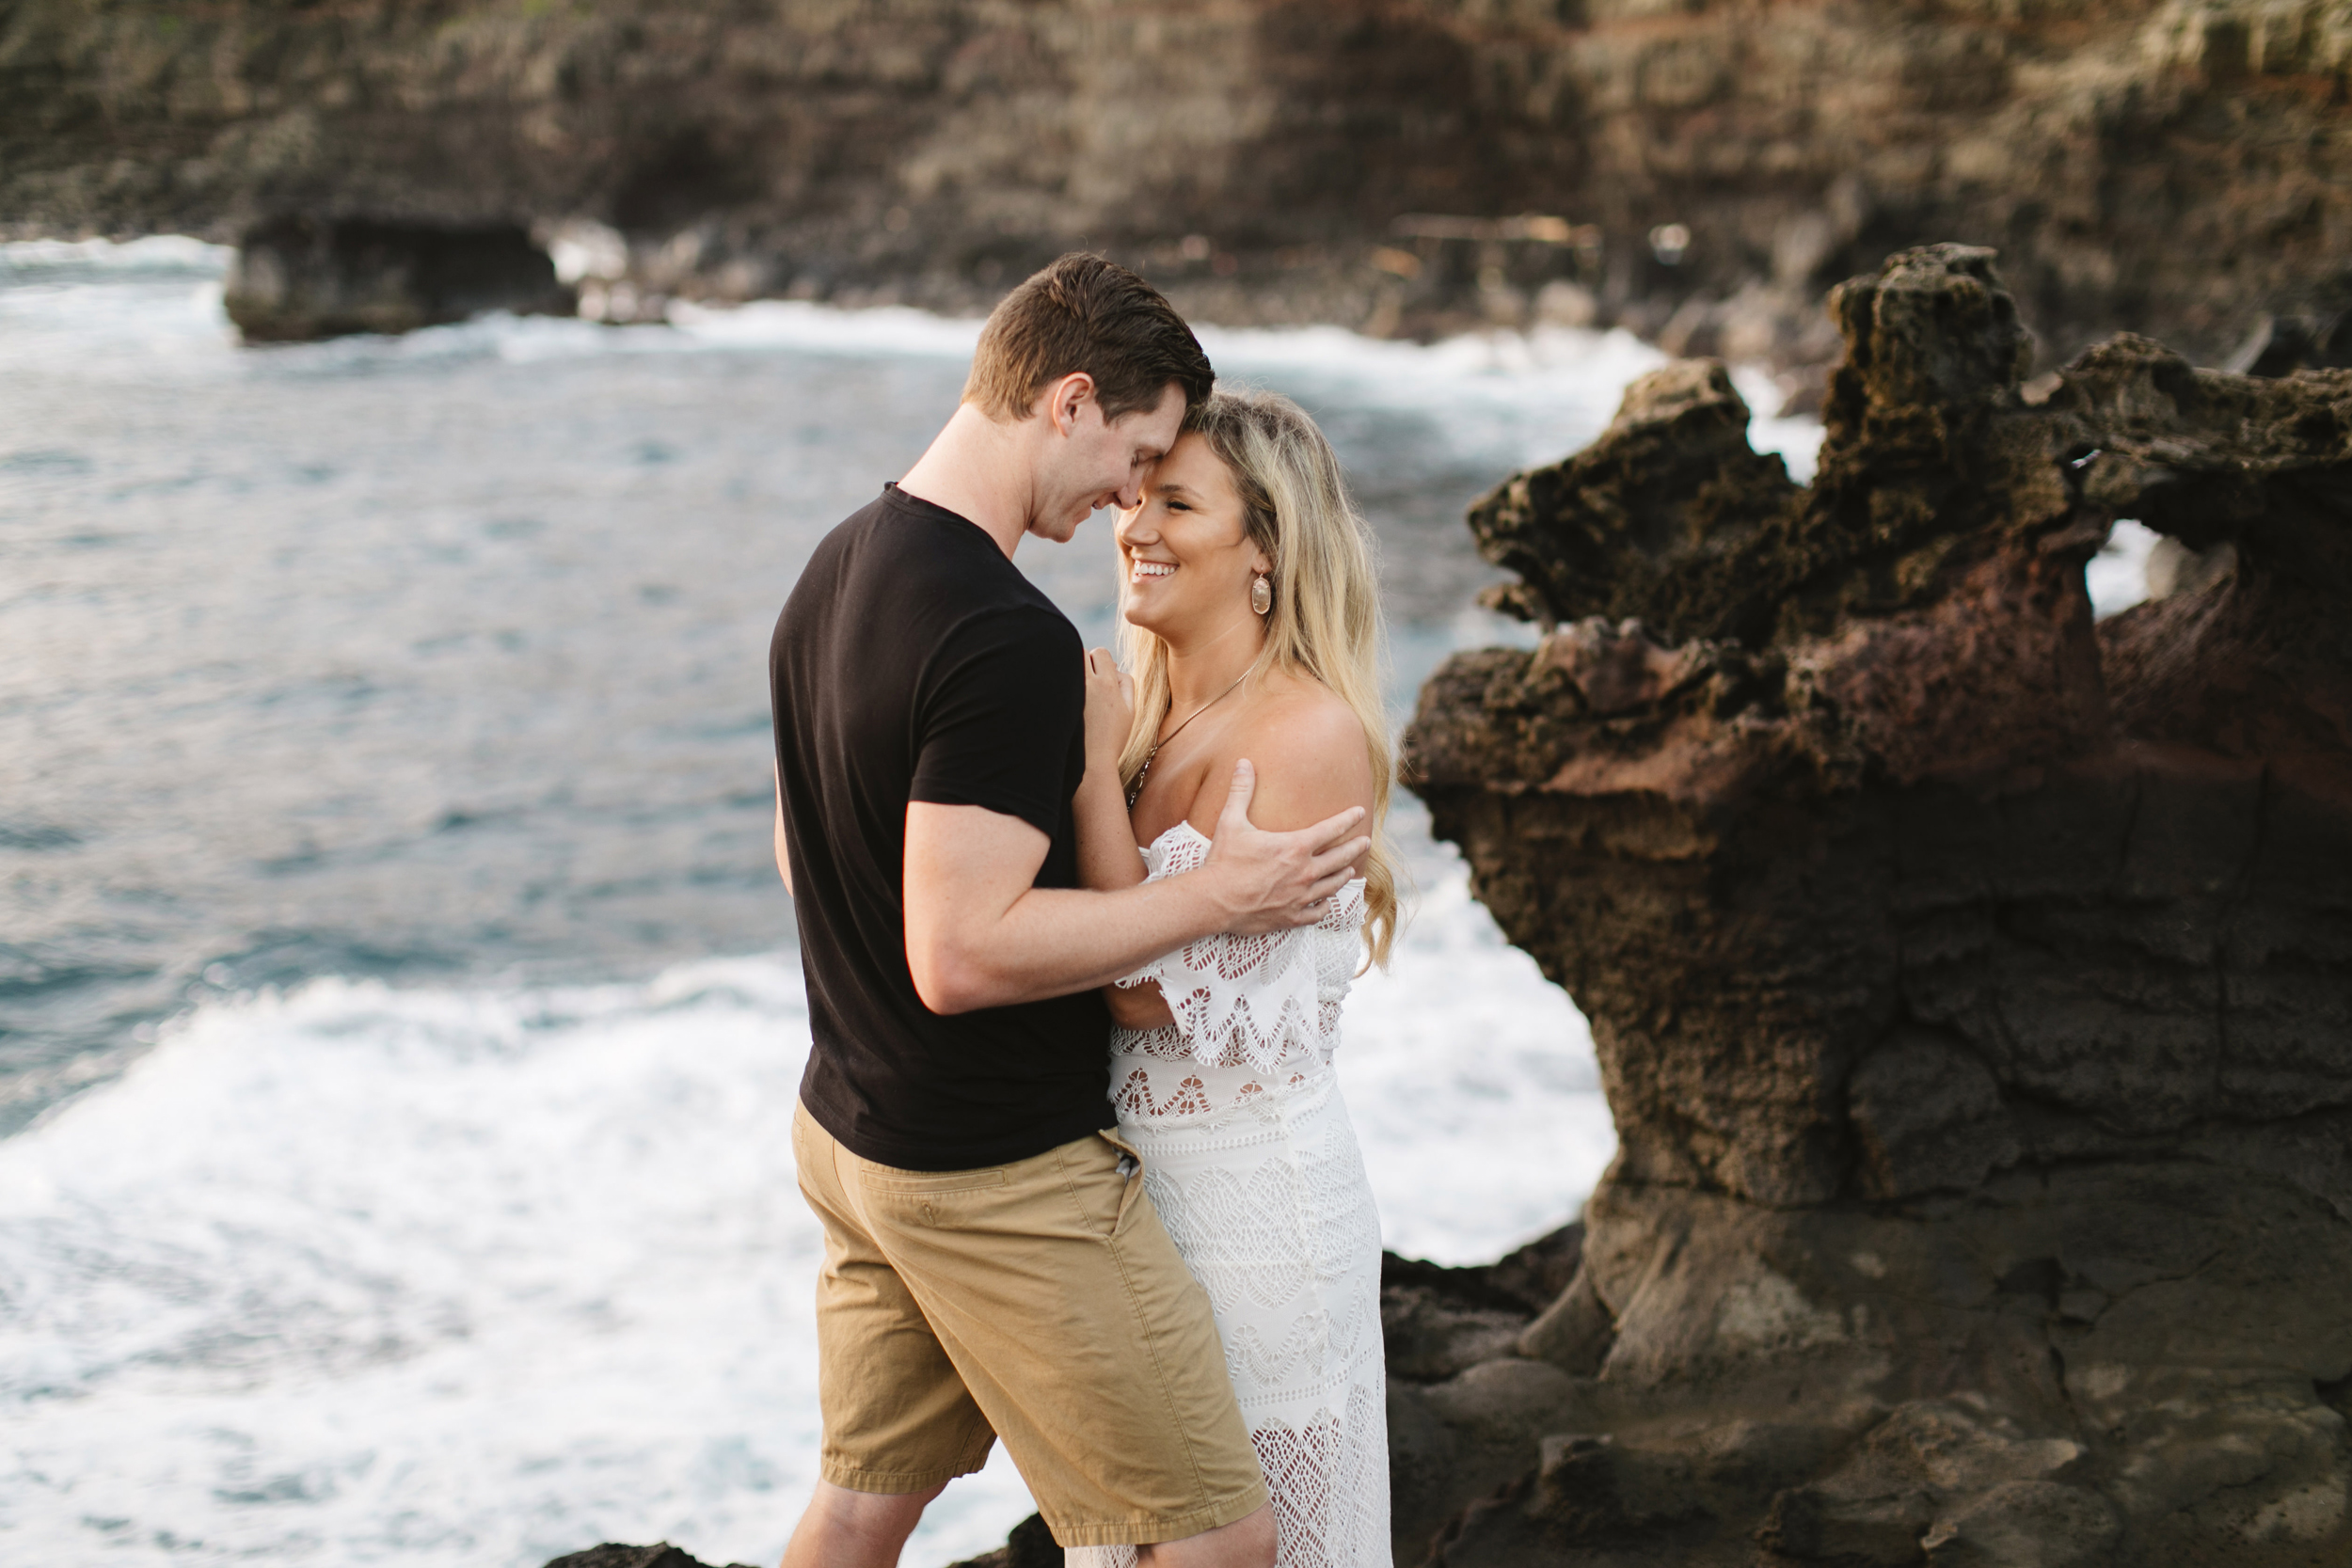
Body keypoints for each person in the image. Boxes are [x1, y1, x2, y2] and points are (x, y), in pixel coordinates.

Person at [766, 254, 1371, 1568]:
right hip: (987, 1162)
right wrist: (1216, 890)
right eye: (1134, 455)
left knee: (866, 1500)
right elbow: (961, 949)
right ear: (1073, 400)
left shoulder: (834, 568)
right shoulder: (1000, 632)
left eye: (1165, 485)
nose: (1123, 500)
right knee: (1218, 1540)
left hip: (852, 1129)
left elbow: (800, 850)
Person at [1066, 389, 1400, 1568]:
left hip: (1256, 1217)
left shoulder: (1303, 732)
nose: (1133, 522)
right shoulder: (1163, 717)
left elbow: (1139, 985)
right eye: (1132, 493)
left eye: (1176, 501)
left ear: (1263, 548)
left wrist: (1092, 783)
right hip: (1140, 1205)